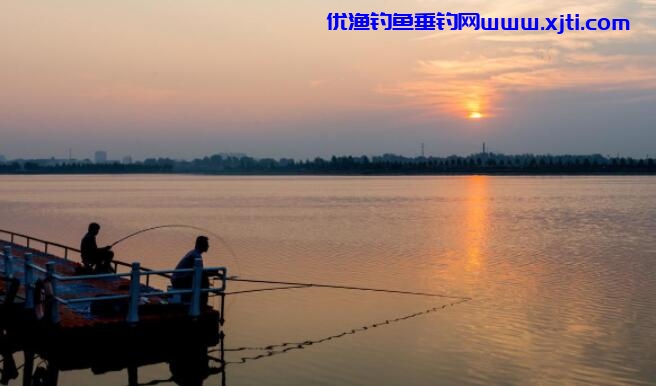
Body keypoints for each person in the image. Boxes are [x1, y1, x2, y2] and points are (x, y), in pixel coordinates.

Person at [171, 236, 216, 305]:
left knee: (202, 279)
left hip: (176, 279)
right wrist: (212, 273)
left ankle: (197, 301)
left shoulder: (192, 252)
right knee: (204, 280)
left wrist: (210, 273)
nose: (208, 246)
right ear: (201, 245)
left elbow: (199, 271)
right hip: (178, 281)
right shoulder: (196, 256)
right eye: (206, 244)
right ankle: (202, 304)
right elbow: (200, 272)